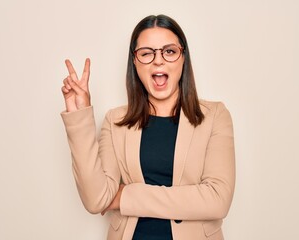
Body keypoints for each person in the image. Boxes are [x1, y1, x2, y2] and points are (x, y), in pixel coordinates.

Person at [61, 14, 235, 240]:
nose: (158, 60)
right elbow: (96, 199)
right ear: (135, 62)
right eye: (146, 53)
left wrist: (126, 196)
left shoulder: (215, 116)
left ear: (183, 58)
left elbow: (217, 201)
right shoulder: (116, 121)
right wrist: (79, 116)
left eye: (169, 51)